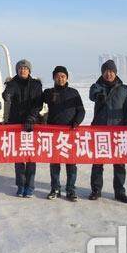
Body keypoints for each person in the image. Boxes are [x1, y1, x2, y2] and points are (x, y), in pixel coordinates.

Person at [88, 60, 127, 203]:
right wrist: (98, 96)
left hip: (118, 130)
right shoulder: (97, 86)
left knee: (119, 163)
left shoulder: (124, 89)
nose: (109, 74)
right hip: (100, 129)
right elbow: (92, 94)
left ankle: (120, 192)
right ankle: (96, 190)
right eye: (106, 71)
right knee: (98, 162)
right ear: (102, 73)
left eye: (111, 71)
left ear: (115, 73)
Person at [42, 66, 85, 202]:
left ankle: (71, 190)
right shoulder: (49, 93)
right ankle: (55, 188)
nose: (60, 78)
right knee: (55, 163)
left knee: (71, 163)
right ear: (54, 77)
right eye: (58, 76)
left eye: (63, 76)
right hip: (53, 133)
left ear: (67, 78)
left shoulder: (74, 93)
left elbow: (81, 111)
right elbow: (36, 104)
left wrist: (76, 123)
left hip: (70, 132)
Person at [2, 59, 43, 198]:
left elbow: (38, 104)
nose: (23, 70)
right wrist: (6, 94)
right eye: (20, 68)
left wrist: (32, 118)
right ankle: (20, 186)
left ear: (29, 70)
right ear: (17, 70)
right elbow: (7, 95)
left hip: (31, 125)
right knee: (19, 158)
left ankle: (30, 187)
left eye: (25, 68)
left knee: (31, 158)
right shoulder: (12, 83)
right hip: (16, 125)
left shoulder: (36, 85)